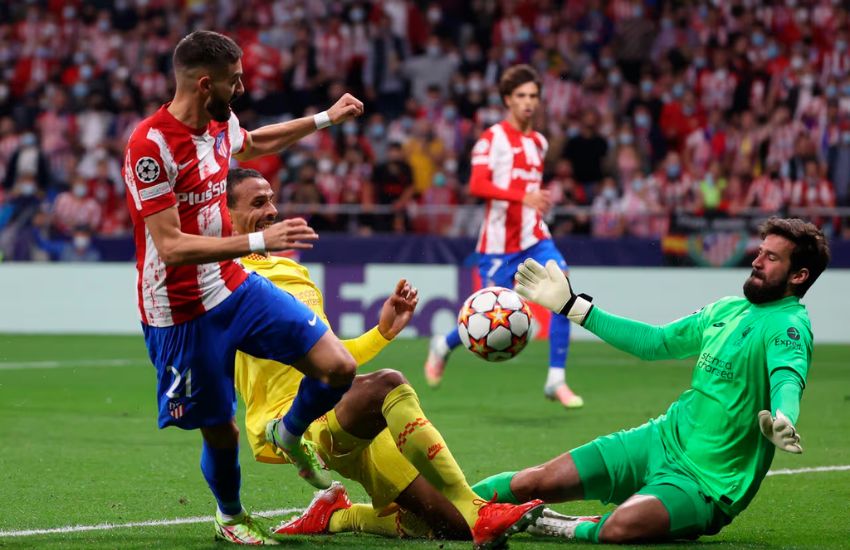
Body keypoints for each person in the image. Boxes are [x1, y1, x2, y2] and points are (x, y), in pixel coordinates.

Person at [122, 30, 365, 544]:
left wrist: (326, 118)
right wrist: (260, 239)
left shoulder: (220, 123)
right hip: (179, 309)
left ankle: (287, 432)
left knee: (338, 367)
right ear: (204, 84)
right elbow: (171, 246)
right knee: (222, 428)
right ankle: (230, 516)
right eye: (234, 80)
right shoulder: (151, 147)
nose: (242, 88)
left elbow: (254, 143)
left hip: (232, 284)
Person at [225, 167, 543, 549]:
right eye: (258, 203)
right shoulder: (225, 280)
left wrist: (382, 332)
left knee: (452, 527)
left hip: (344, 407)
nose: (272, 210)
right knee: (388, 383)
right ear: (225, 214)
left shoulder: (294, 271)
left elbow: (331, 357)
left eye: (272, 200)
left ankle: (336, 515)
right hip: (295, 420)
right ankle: (479, 509)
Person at [472, 217, 830, 543]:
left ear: (798, 276)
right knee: (536, 480)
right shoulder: (727, 309)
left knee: (619, 528)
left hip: (707, 483)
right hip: (659, 439)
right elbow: (654, 342)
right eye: (761, 251)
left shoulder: (789, 325)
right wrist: (572, 306)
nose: (756, 260)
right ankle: (454, 504)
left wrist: (784, 416)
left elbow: (787, 377)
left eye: (771, 257)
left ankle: (557, 525)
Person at [424, 64, 583, 409]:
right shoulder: (492, 139)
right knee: (490, 315)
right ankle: (443, 344)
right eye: (521, 96)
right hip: (498, 245)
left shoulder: (539, 142)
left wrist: (534, 201)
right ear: (508, 99)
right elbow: (476, 185)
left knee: (563, 290)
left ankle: (556, 379)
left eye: (533, 96)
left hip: (535, 236)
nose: (528, 102)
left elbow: (529, 190)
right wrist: (523, 197)